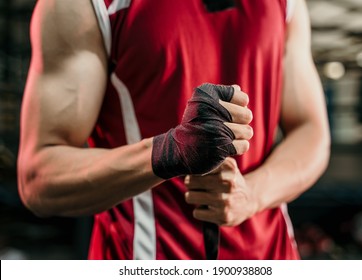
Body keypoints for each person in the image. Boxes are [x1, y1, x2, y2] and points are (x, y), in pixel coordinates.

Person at [17, 0, 330, 260]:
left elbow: (311, 131)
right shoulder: (85, 5)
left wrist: (253, 195)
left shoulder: (286, 3)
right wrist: (168, 151)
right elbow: (39, 176)